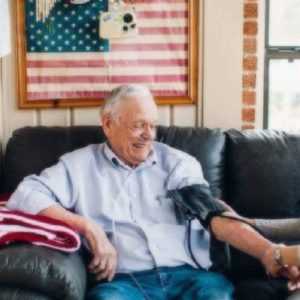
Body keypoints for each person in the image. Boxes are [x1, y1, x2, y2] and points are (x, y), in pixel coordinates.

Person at [5, 84, 300, 300]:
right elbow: (26, 194)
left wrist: (268, 252)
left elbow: (209, 212)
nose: (149, 135)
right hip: (123, 283)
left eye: (153, 125)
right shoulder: (79, 166)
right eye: (138, 126)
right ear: (108, 124)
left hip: (192, 279)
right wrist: (88, 228)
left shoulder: (177, 163)